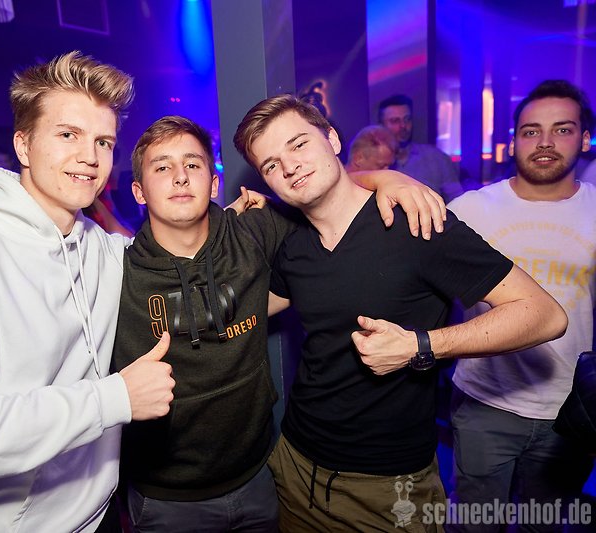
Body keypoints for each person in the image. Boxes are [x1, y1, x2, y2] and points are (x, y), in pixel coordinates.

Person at [232, 94, 568, 532]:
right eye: (271, 165)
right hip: (295, 464)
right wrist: (214, 231)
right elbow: (250, 309)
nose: (290, 166)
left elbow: (544, 314)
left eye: (299, 144)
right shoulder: (292, 240)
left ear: (332, 138)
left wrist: (422, 345)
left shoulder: (415, 221)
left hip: (388, 486)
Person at [110, 115, 443, 532]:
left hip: (260, 475)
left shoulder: (255, 230)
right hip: (167, 498)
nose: (180, 177)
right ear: (139, 192)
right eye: (162, 167)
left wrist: (385, 177)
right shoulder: (114, 270)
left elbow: (322, 190)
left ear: (213, 183)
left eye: (193, 164)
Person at [0, 51, 176, 532]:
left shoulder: (103, 251)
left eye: (103, 141)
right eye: (68, 135)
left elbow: (185, 256)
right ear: (23, 145)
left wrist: (245, 218)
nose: (90, 156)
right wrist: (112, 399)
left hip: (98, 516)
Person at [448, 79, 596, 532]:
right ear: (514, 142)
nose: (545, 142)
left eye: (562, 129)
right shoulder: (470, 210)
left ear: (584, 139)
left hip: (569, 410)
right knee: (477, 524)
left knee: (544, 524)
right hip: (485, 402)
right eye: (531, 131)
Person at [379, 94, 463, 201]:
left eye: (407, 119)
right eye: (395, 121)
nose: (403, 126)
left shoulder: (437, 158)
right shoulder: (373, 163)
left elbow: (457, 200)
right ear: (381, 125)